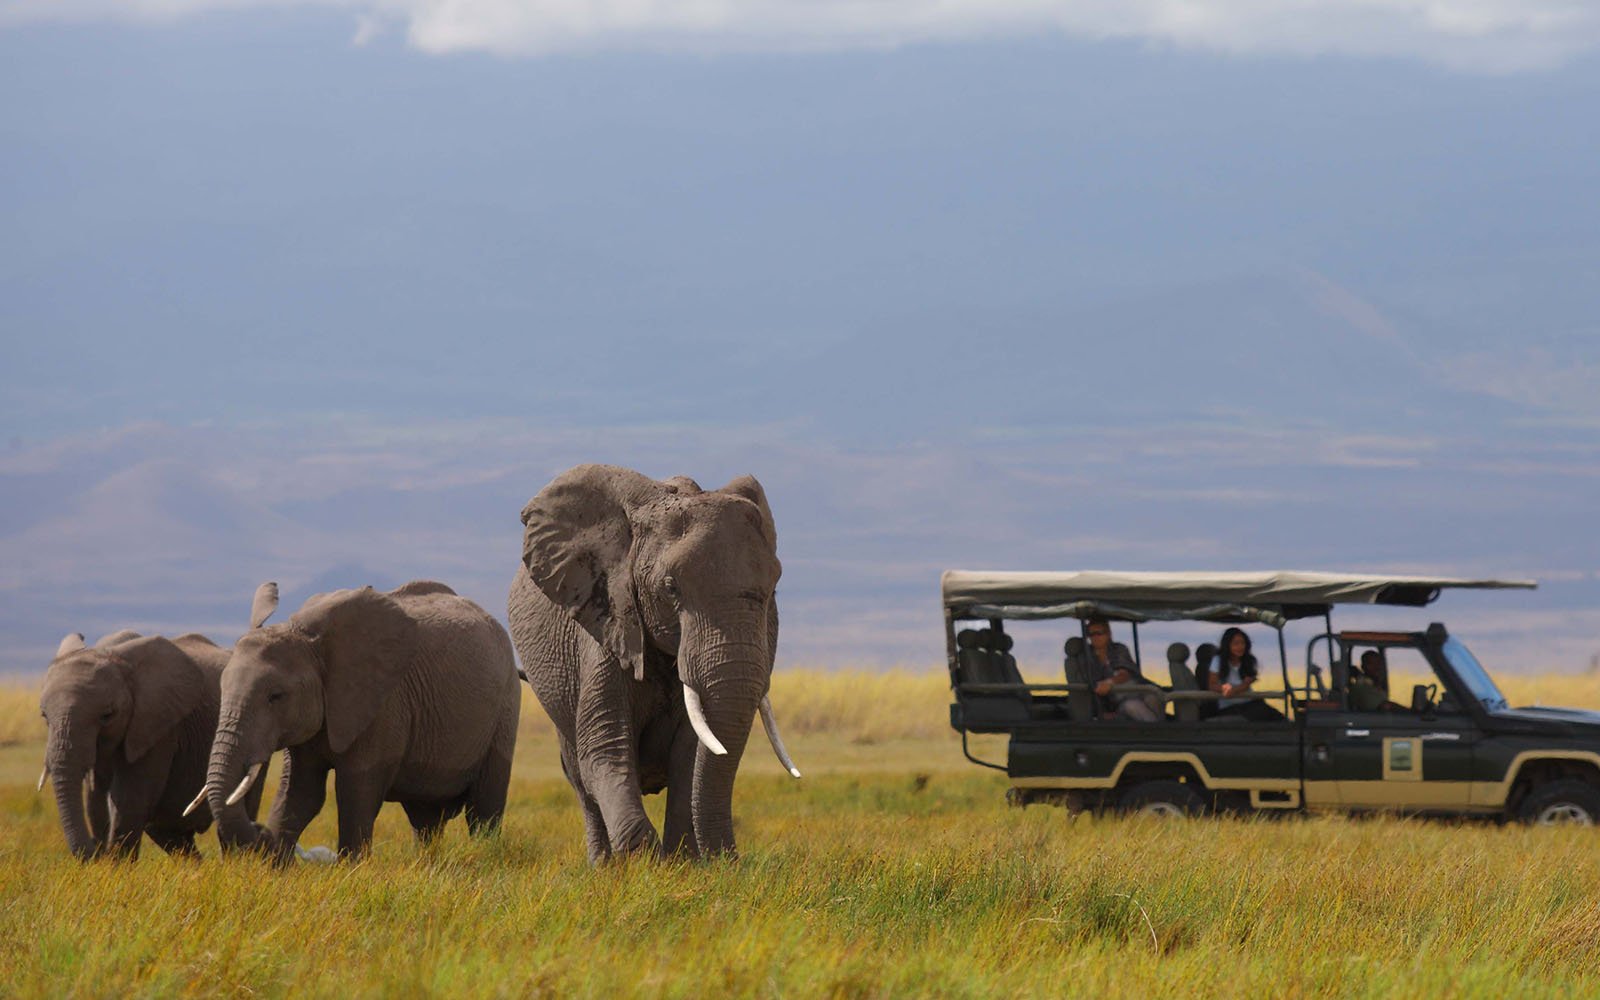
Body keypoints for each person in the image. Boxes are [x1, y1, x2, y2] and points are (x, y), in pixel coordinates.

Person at [1080, 617, 1161, 722]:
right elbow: (1091, 688)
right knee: (1132, 706)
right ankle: (1161, 733)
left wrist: (1110, 683)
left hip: (1136, 690)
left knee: (1153, 697)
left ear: (1108, 634)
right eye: (1091, 635)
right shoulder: (1087, 657)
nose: (1095, 637)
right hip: (1114, 704)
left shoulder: (1118, 649)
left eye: (1099, 633)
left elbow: (1124, 674)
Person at [1201, 627, 1283, 721]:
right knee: (1262, 714)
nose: (1240, 647)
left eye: (1242, 643)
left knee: (1276, 716)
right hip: (1230, 706)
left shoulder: (1248, 660)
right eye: (1236, 644)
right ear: (1227, 645)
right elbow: (1212, 685)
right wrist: (1223, 688)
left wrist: (1236, 689)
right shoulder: (1218, 660)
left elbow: (1245, 684)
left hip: (1250, 702)